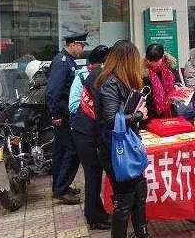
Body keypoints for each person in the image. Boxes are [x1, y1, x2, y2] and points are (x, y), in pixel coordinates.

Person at [96, 41, 149, 238]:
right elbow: (111, 119)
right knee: (125, 200)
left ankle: (142, 233)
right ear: (127, 60)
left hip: (128, 146)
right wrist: (139, 115)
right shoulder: (110, 82)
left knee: (139, 194)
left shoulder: (122, 81)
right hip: (116, 150)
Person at [69, 44, 111, 230]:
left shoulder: (98, 75)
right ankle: (94, 218)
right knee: (93, 174)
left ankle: (96, 212)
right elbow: (102, 109)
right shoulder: (94, 77)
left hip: (88, 131)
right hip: (85, 133)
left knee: (94, 174)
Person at [46, 31, 88, 205]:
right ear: (73, 44)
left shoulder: (68, 60)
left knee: (61, 151)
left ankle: (59, 186)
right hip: (62, 114)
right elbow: (52, 91)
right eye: (81, 45)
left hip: (63, 113)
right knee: (73, 149)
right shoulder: (62, 62)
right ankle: (62, 189)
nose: (82, 49)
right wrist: (56, 114)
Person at [141, 43, 181, 120]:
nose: (153, 64)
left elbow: (178, 83)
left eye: (156, 61)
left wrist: (177, 87)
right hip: (150, 115)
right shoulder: (142, 73)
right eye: (150, 61)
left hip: (171, 111)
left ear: (162, 57)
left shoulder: (171, 68)